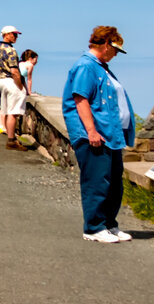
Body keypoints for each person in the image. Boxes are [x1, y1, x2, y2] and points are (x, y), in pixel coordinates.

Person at [62, 25, 135, 243]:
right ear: (105, 44)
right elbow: (81, 99)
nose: (115, 54)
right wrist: (91, 131)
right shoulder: (86, 66)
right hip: (96, 135)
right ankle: (93, 227)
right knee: (97, 181)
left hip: (111, 135)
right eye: (115, 49)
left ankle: (109, 224)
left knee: (113, 182)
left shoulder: (100, 67)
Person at [0, 25, 25, 148]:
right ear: (6, 35)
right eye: (13, 34)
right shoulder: (10, 50)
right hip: (11, 82)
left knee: (6, 110)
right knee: (13, 112)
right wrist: (21, 86)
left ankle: (11, 137)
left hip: (1, 82)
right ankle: (11, 140)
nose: (16, 37)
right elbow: (14, 71)